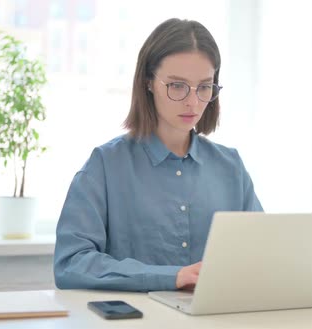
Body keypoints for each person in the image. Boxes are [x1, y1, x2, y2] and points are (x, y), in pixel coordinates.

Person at [53, 18, 263, 292]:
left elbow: (261, 255)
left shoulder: (231, 167)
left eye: (204, 87)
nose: (192, 102)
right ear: (149, 82)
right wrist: (171, 276)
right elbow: (71, 263)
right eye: (177, 86)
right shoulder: (105, 166)